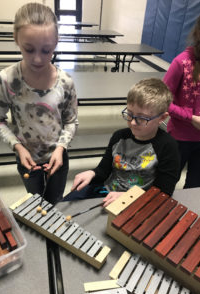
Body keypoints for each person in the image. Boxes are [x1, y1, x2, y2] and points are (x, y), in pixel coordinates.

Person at [0, 3, 78, 204]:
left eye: (47, 50)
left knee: (55, 202)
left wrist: (60, 148)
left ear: (56, 42)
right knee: (35, 202)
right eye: (28, 49)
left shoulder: (65, 82)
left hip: (58, 158)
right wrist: (18, 147)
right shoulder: (7, 79)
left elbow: (71, 121)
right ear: (16, 40)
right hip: (26, 160)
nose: (38, 59)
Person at [64, 78, 180, 206]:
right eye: (129, 114)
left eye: (141, 118)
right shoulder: (119, 136)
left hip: (141, 201)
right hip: (107, 192)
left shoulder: (168, 146)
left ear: (162, 118)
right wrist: (92, 173)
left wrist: (128, 196)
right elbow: (103, 170)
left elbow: (164, 192)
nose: (133, 123)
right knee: (65, 204)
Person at [163, 16, 200, 189]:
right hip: (180, 138)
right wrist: (191, 118)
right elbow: (163, 101)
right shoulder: (181, 62)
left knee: (195, 186)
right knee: (168, 182)